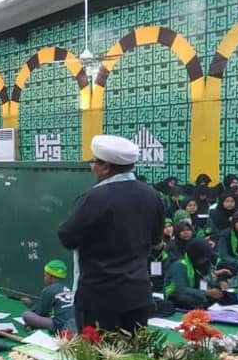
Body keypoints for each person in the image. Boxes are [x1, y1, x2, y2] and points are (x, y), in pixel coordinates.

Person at [57, 135, 164, 332]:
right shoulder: (153, 196)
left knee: (98, 351)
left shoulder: (95, 198)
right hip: (138, 295)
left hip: (100, 297)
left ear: (105, 167)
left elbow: (67, 237)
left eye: (93, 162)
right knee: (133, 349)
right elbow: (156, 242)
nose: (92, 168)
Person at [20, 260, 76, 334]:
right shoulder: (69, 287)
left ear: (50, 276)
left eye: (45, 275)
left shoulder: (48, 290)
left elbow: (41, 313)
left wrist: (30, 304)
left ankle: (33, 326)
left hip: (60, 327)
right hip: (75, 325)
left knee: (26, 315)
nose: (44, 277)